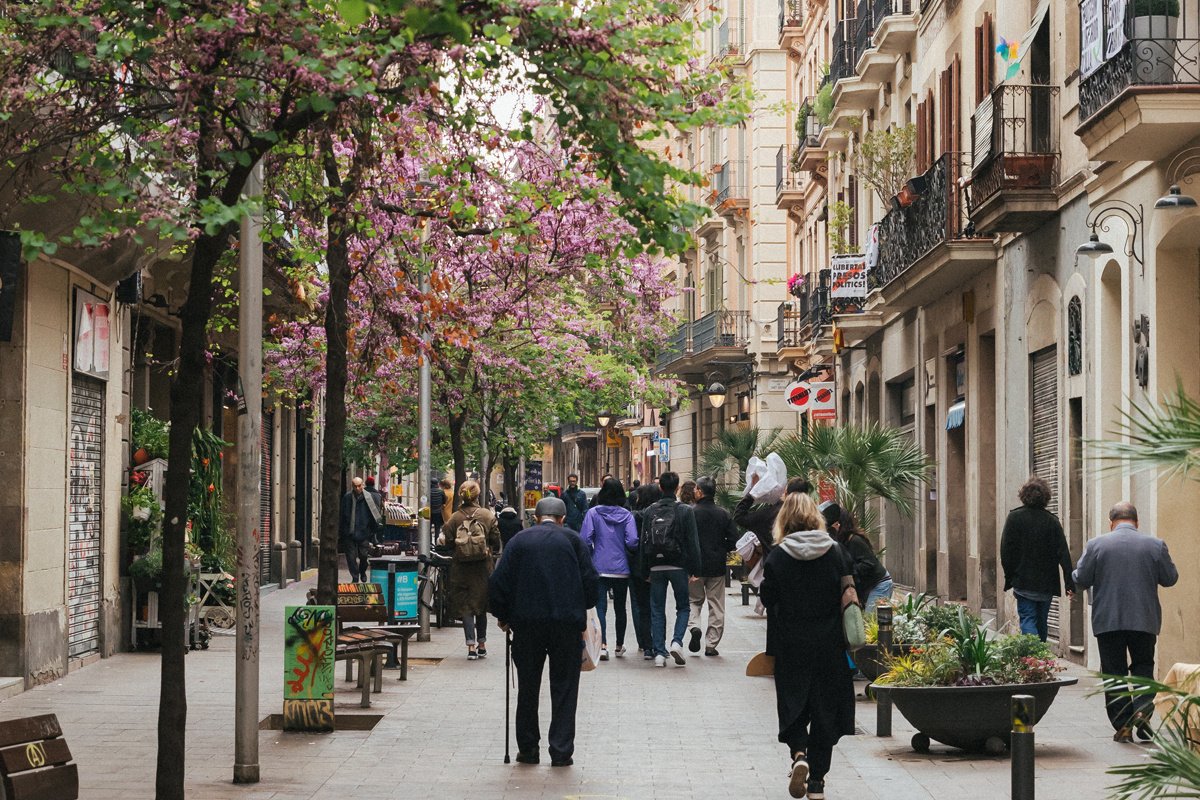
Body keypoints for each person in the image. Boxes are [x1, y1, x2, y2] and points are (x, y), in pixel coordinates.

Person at [760, 492, 856, 800]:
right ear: (816, 517)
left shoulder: (777, 556)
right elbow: (850, 590)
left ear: (784, 519)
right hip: (829, 643)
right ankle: (817, 782)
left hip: (790, 643)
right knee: (825, 708)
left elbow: (767, 598)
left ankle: (799, 753)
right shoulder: (836, 551)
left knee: (793, 703)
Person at [489, 496, 598, 767]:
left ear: (536, 517)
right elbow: (591, 585)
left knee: (527, 687)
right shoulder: (574, 541)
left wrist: (504, 616)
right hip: (566, 626)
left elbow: (497, 584)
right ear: (562, 518)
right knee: (564, 687)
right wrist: (579, 606)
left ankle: (528, 749)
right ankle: (561, 751)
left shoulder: (519, 541)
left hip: (527, 625)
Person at [1072, 501, 1178, 743]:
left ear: (1111, 523)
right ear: (1137, 522)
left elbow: (1082, 577)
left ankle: (1123, 724)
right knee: (1143, 666)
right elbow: (1170, 578)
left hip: (1108, 620)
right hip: (1144, 619)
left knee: (1114, 672)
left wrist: (1074, 575)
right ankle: (1142, 710)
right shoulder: (1155, 545)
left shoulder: (1096, 545)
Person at [999, 477, 1075, 642]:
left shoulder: (1014, 518)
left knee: (1028, 619)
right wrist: (1069, 582)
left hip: (1023, 581)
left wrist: (1010, 576)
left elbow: (1006, 551)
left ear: (1023, 495)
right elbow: (1063, 553)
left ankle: (1034, 658)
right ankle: (1039, 658)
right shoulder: (1052, 521)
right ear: (1046, 498)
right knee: (1041, 621)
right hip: (1046, 584)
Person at [639, 471, 701, 668]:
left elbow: (643, 542)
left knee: (657, 608)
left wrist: (645, 570)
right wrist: (695, 569)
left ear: (660, 487)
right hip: (679, 565)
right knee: (683, 606)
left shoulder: (649, 511)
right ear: (677, 488)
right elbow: (693, 542)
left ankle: (659, 653)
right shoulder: (685, 510)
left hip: (656, 566)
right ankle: (676, 642)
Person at [440, 480, 502, 660]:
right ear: (477, 495)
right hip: (483, 567)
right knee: (481, 604)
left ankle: (471, 647)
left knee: (466, 606)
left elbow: (449, 540)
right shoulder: (487, 515)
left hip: (461, 568)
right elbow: (496, 540)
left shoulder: (455, 517)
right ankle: (482, 644)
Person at [580, 478, 639, 660]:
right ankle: (619, 645)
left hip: (599, 567)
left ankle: (603, 645)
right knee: (621, 608)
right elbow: (632, 541)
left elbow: (584, 539)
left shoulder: (592, 513)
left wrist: (593, 553)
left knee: (600, 609)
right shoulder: (627, 515)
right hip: (621, 569)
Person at [687, 476, 739, 656]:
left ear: (700, 491)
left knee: (694, 601)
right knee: (716, 604)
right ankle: (711, 644)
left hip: (695, 566)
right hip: (716, 565)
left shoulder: (690, 513)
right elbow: (734, 540)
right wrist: (721, 548)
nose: (694, 491)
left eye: (695, 489)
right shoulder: (723, 513)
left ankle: (694, 627)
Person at [822, 503, 892, 611]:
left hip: (879, 584)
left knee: (870, 621)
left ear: (840, 524)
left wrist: (849, 572)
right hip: (869, 586)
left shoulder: (855, 540)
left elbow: (869, 563)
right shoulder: (842, 542)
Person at [628, 483, 661, 659]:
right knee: (658, 606)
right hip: (660, 564)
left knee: (642, 607)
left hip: (638, 565)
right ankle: (660, 646)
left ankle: (646, 645)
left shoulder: (635, 516)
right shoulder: (662, 513)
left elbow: (630, 541)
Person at [339, 476, 381, 582]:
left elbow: (374, 515)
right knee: (351, 557)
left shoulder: (369, 498)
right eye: (355, 486)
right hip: (350, 532)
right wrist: (342, 531)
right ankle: (355, 576)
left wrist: (373, 532)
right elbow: (342, 515)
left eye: (359, 486)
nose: (357, 488)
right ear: (352, 486)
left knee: (363, 556)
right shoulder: (347, 497)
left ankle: (362, 571)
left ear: (363, 485)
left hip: (364, 532)